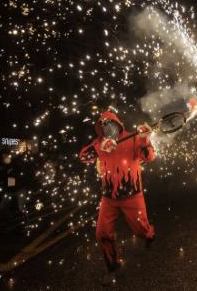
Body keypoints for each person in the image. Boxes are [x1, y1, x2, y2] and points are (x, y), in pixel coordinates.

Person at [79, 110, 156, 285]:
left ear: (118, 124)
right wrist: (99, 147)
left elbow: (149, 157)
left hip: (133, 197)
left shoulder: (133, 138)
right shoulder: (100, 143)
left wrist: (145, 138)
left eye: (109, 124)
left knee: (140, 231)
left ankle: (149, 234)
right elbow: (83, 156)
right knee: (102, 234)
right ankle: (113, 267)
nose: (107, 128)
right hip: (109, 199)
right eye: (103, 125)